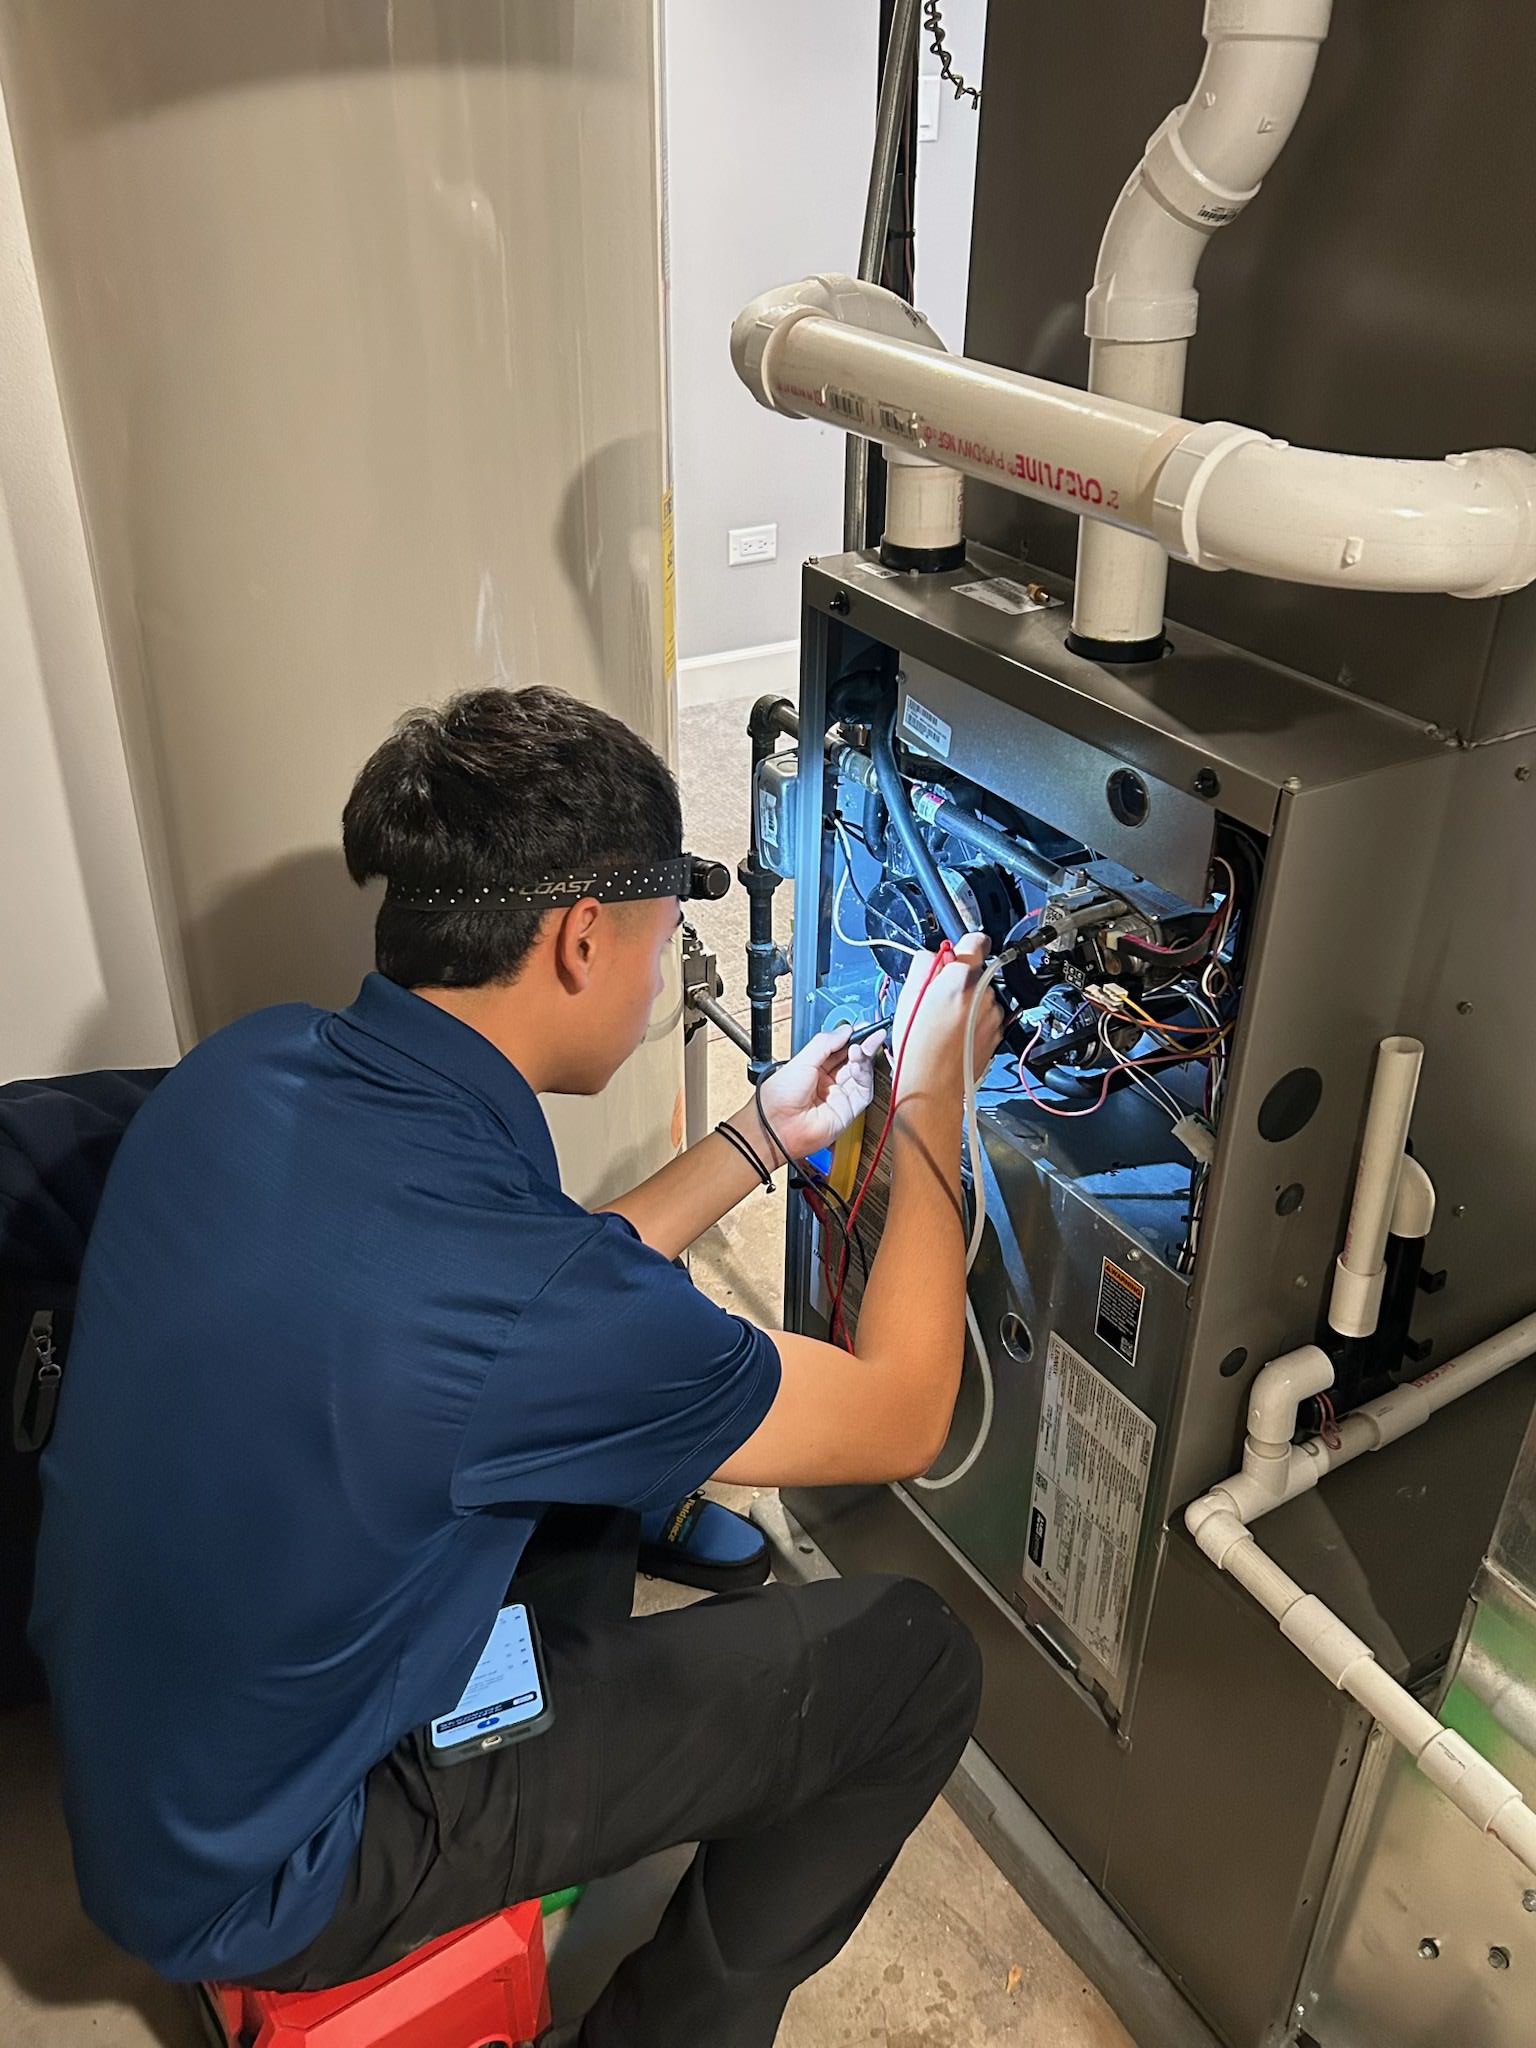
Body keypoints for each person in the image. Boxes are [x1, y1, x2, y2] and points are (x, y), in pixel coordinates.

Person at [31, 684, 999, 2047]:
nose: (665, 981)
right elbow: (903, 1412)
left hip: (161, 1766)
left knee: (583, 1476)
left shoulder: (252, 1067)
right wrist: (933, 1107)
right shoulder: (533, 1310)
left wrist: (760, 1138)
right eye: (666, 946)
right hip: (275, 1868)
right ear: (582, 938)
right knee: (907, 1663)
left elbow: (527, 1302)